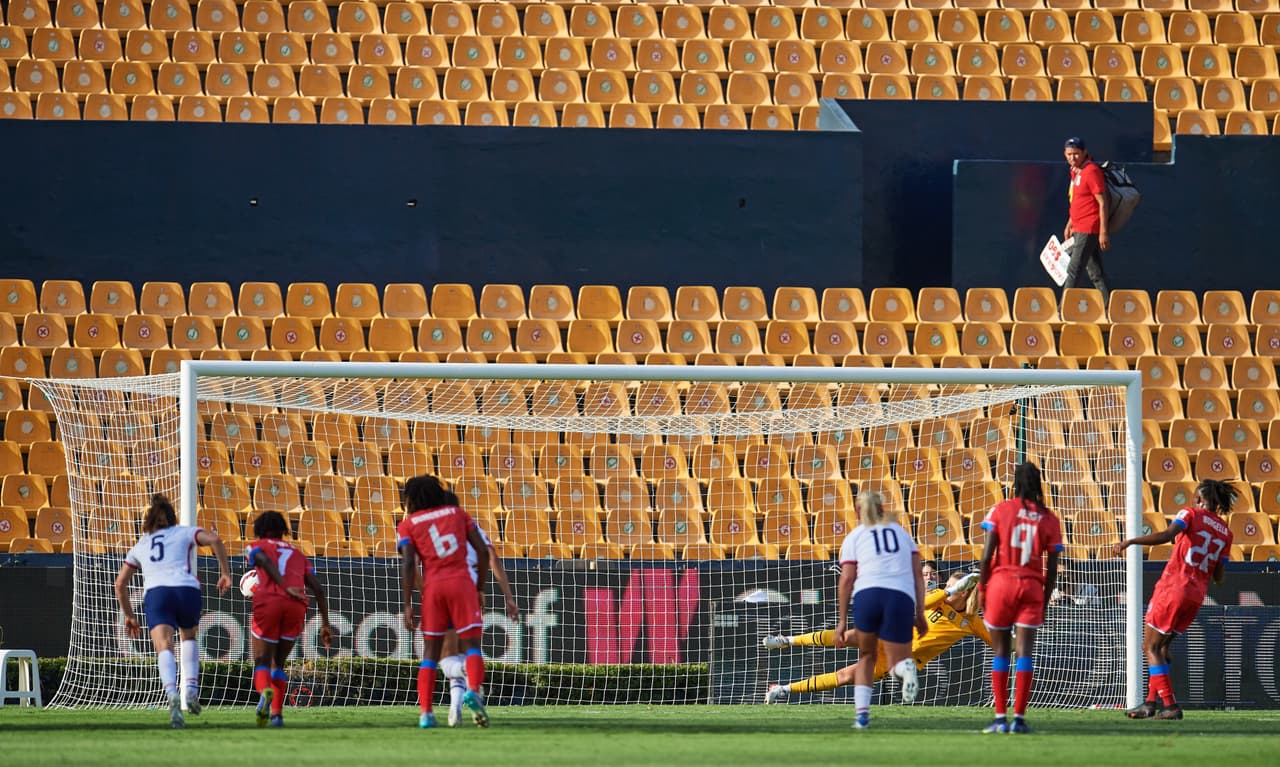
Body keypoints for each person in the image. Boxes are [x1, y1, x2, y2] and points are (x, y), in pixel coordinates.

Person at [1112, 479, 1235, 721]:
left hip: (1174, 588)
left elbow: (1168, 534)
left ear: (1199, 499)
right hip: (1196, 596)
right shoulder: (1226, 533)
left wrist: (1131, 541)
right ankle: (1149, 703)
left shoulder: (1190, 513)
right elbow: (1219, 577)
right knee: (1162, 647)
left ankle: (1170, 705)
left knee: (1150, 647)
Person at [763, 570, 987, 703]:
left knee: (845, 676)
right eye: (948, 585)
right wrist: (947, 591)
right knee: (848, 636)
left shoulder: (973, 622)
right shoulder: (937, 597)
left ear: (965, 591)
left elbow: (1001, 643)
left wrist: (1018, 635)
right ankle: (787, 640)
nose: (945, 587)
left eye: (952, 586)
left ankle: (782, 689)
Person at [114, 494, 232, 729]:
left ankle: (172, 695)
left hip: (158, 593)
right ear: (172, 518)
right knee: (188, 636)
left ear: (147, 522)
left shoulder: (141, 545)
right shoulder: (185, 532)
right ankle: (190, 689)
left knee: (163, 646)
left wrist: (129, 615)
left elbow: (120, 585)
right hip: (186, 589)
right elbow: (215, 539)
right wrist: (226, 573)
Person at [399, 475, 492, 729]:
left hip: (433, 588)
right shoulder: (457, 514)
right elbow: (483, 552)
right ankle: (473, 689)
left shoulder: (408, 525)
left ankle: (426, 714)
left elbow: (409, 563)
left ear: (410, 499)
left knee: (430, 653)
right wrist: (480, 587)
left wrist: (407, 603)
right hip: (461, 582)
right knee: (472, 645)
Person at [832, 490, 929, 729]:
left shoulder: (855, 537)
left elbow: (846, 579)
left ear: (857, 512)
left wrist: (842, 621)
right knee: (898, 660)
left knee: (867, 656)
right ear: (883, 508)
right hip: (900, 596)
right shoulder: (903, 535)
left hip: (868, 595)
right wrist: (919, 612)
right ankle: (905, 669)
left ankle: (862, 717)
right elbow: (918, 575)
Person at [978, 461, 1062, 734]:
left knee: (1001, 650)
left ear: (1015, 484)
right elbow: (1052, 569)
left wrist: (982, 588)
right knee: (1025, 652)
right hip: (1031, 587)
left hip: (1002, 583)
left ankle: (1000, 717)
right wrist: (1045, 598)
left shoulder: (1000, 510)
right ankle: (1020, 719)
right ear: (1039, 485)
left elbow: (986, 555)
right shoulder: (1050, 518)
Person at [430, 514, 519, 728]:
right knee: (469, 652)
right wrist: (507, 596)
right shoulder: (471, 527)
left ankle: (455, 708)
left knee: (449, 655)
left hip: (440, 592)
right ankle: (471, 689)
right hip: (468, 591)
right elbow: (492, 557)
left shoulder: (431, 528)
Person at [247, 510, 334, 728]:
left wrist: (281, 584)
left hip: (269, 601)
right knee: (279, 663)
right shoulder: (298, 554)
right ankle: (276, 715)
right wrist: (325, 623)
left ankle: (264, 691)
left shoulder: (255, 546)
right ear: (283, 530)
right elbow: (319, 589)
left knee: (262, 661)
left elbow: (263, 559)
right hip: (297, 604)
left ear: (259, 530)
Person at [1061, 136, 1110, 304]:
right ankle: (1108, 306)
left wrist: (1103, 232)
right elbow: (1077, 201)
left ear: (1084, 153)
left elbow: (1102, 203)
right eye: (1069, 154)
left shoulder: (1091, 171)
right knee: (1095, 272)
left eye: (1076, 154)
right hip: (1078, 226)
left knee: (1073, 270)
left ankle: (1063, 309)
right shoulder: (1075, 171)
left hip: (1088, 228)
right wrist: (1069, 223)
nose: (1072, 157)